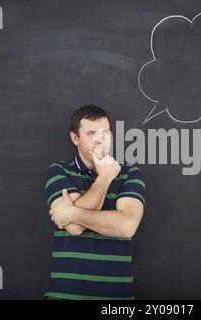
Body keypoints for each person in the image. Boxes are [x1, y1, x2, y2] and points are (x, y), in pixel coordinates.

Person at [44, 105, 146, 300]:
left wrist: (71, 212)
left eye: (105, 132)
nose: (100, 139)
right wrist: (105, 178)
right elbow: (74, 229)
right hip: (66, 295)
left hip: (115, 301)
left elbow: (127, 226)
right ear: (75, 138)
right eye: (91, 133)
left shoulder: (130, 173)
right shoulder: (59, 170)